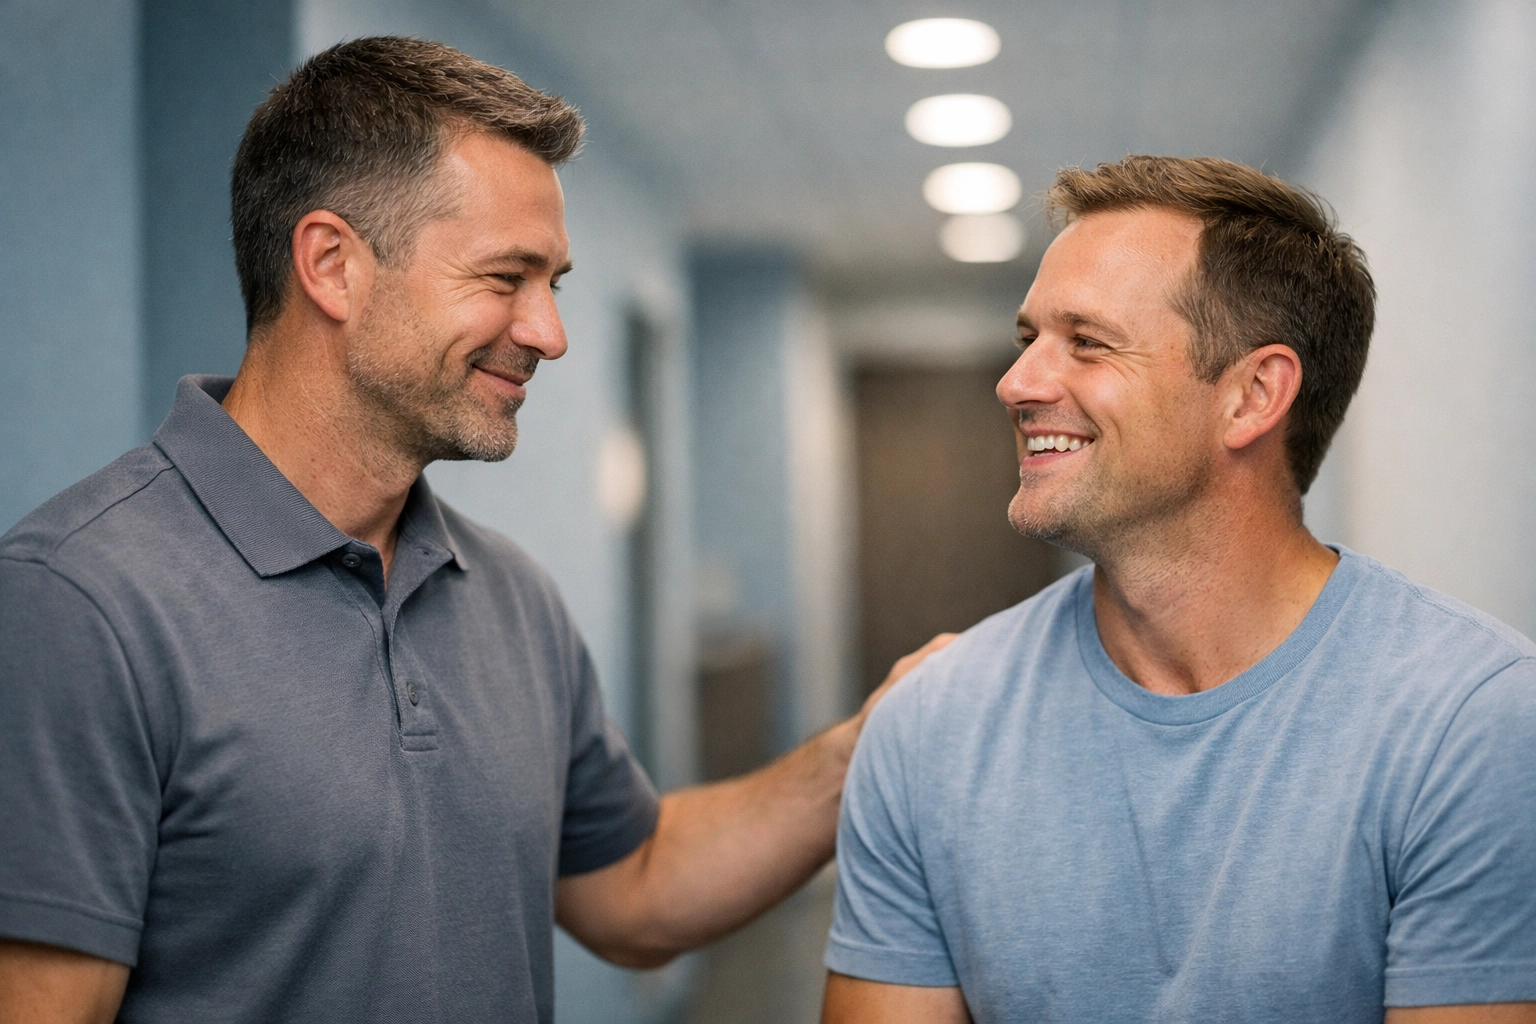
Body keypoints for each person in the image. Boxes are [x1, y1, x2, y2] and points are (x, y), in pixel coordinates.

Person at [0, 37, 951, 1023]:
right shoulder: (76, 603)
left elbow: (634, 883)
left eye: (555, 283)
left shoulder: (507, 594)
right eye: (507, 277)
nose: (550, 331)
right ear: (332, 264)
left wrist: (871, 748)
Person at [821, 156, 1536, 1024]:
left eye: (1087, 342)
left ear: (1252, 396)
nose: (1016, 385)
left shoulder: (1472, 720)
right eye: (1027, 340)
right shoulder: (931, 723)